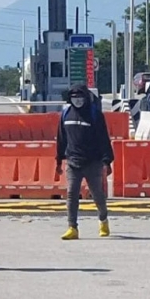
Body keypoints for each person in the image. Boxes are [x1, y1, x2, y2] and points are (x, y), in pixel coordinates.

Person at [56, 83, 114, 240]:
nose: (78, 100)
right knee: (71, 194)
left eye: (80, 97)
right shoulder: (65, 114)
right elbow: (61, 139)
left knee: (97, 194)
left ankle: (103, 220)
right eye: (74, 97)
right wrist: (58, 160)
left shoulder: (95, 115)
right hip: (73, 162)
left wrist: (107, 161)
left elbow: (103, 138)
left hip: (92, 162)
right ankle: (72, 227)